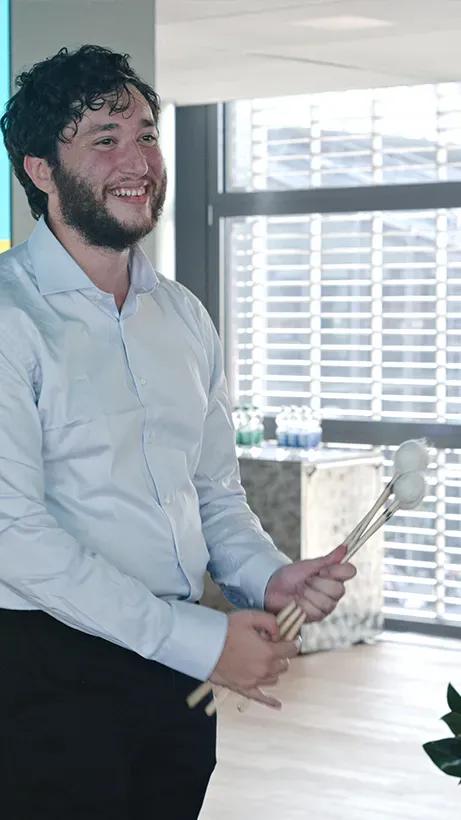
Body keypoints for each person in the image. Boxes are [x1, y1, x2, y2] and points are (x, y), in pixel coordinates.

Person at [0, 44, 356, 820]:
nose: (139, 161)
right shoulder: (9, 318)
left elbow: (212, 493)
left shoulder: (183, 315)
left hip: (172, 676)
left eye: (147, 135)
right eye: (105, 139)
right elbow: (13, 536)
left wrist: (266, 576)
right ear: (40, 170)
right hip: (40, 672)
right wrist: (199, 640)